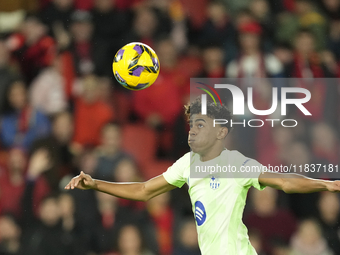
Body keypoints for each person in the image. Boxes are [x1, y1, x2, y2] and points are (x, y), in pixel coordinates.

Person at [65, 97, 340, 255]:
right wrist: (96, 184)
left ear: (220, 132)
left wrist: (326, 185)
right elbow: (144, 190)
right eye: (192, 124)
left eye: (201, 124)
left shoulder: (236, 164)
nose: (193, 130)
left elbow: (284, 181)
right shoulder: (187, 164)